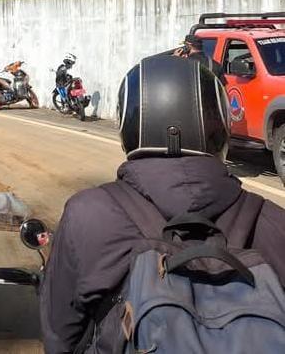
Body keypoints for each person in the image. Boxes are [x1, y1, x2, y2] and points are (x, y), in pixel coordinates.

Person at [40, 56, 285, 353]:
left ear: (130, 127)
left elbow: (59, 335)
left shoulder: (87, 213)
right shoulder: (274, 221)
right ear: (221, 125)